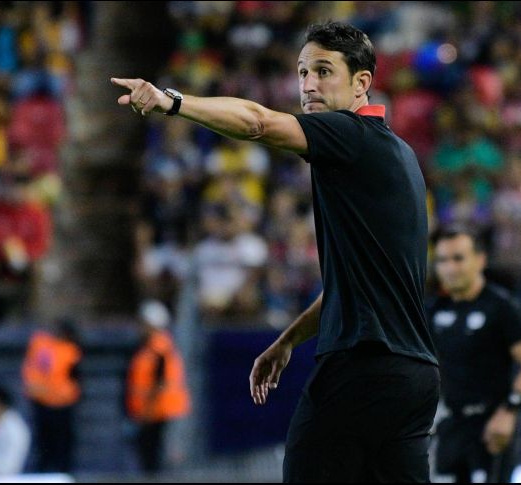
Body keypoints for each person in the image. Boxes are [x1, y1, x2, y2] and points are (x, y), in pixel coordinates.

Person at [112, 21, 439, 482]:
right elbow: (355, 287)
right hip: (414, 375)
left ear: (361, 82)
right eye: (303, 72)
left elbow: (258, 122)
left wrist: (172, 101)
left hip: (363, 367)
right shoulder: (399, 155)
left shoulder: (350, 135)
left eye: (323, 71)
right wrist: (287, 341)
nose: (308, 85)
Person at [427, 228, 521, 483]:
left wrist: (509, 411)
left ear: (480, 260)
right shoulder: (435, 309)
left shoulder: (500, 307)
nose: (450, 268)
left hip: (490, 428)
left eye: (458, 258)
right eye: (442, 260)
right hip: (449, 426)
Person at [125, 300, 190, 474]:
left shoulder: (160, 349)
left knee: (156, 460)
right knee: (149, 458)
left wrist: (147, 410)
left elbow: (160, 383)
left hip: (160, 412)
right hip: (153, 412)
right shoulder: (151, 348)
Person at [21, 318, 81, 473]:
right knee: (45, 446)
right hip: (43, 402)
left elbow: (74, 377)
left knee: (61, 447)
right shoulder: (42, 344)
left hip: (61, 404)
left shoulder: (69, 350)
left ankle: (60, 473)